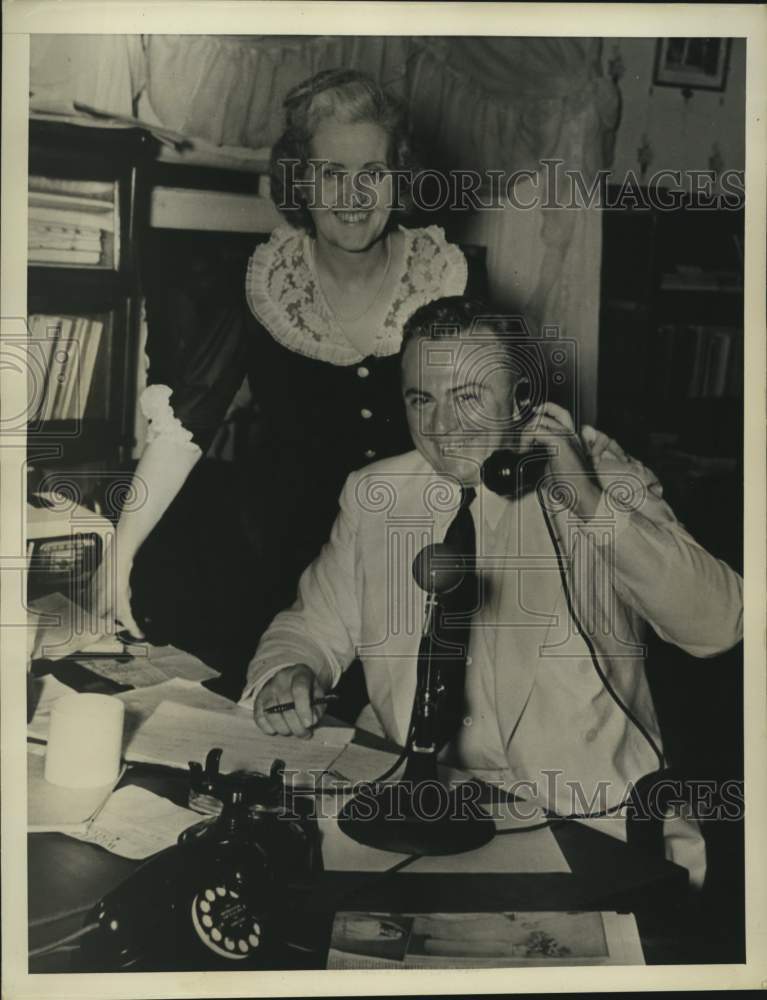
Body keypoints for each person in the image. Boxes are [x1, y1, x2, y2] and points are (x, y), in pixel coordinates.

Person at [242, 295, 743, 887]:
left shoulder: (601, 482)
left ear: (525, 401)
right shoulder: (375, 494)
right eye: (420, 399)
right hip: (418, 809)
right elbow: (311, 626)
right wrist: (289, 670)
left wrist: (590, 504)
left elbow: (717, 625)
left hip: (588, 824)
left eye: (468, 397)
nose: (441, 427)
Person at [102, 69, 469, 681]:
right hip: (278, 568)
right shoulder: (262, 280)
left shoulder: (446, 278)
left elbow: (487, 431)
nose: (353, 198)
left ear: (399, 176)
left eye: (372, 174)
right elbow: (182, 430)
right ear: (301, 178)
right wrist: (118, 556)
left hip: (415, 556)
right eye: (332, 174)